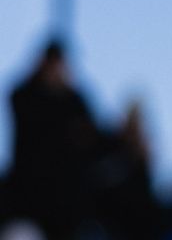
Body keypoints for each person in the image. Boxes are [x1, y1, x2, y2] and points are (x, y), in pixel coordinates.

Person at [6, 39, 101, 240]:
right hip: (27, 203)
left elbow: (94, 135)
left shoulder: (74, 101)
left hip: (66, 210)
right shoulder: (25, 96)